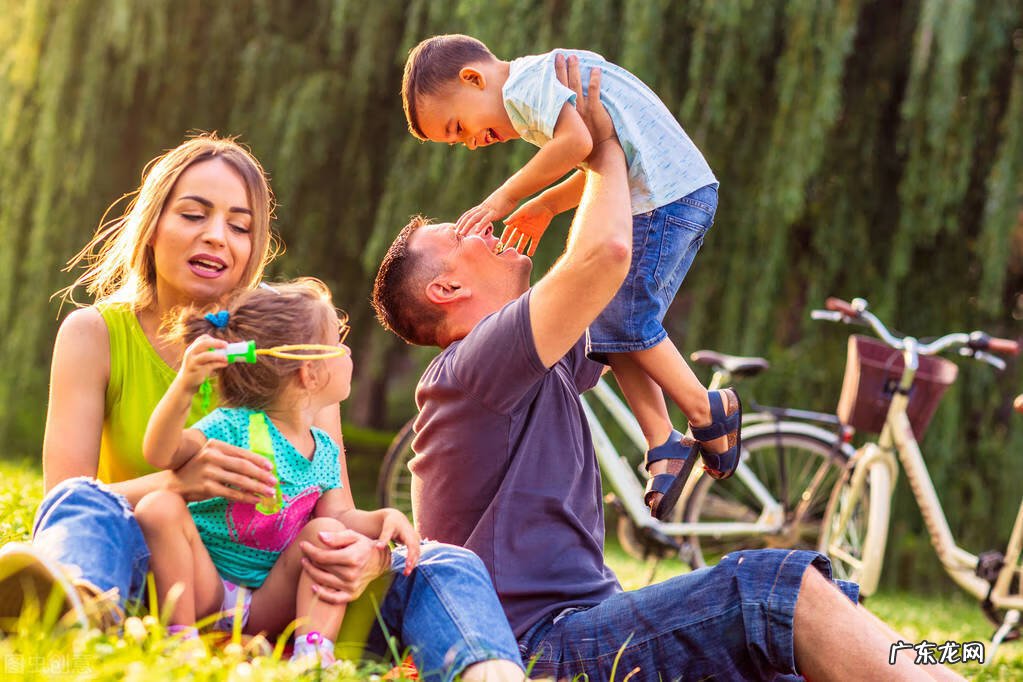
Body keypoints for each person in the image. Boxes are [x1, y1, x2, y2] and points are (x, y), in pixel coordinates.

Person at [374, 57, 962, 680]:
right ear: (445, 289)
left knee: (794, 642)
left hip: (592, 625)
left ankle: (948, 663)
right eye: (461, 232)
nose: (484, 228)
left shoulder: (532, 362)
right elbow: (606, 255)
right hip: (541, 651)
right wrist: (601, 145)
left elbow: (613, 307)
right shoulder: (469, 370)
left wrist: (583, 173)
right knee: (767, 590)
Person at [0, 134, 524, 681]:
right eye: (194, 214)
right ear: (152, 225)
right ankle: (72, 615)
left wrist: (366, 554)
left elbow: (332, 511)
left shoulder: (293, 345)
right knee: (83, 507)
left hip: (282, 598)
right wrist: (177, 484)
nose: (216, 236)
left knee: (444, 563)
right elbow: (68, 499)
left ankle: (488, 673)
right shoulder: (95, 333)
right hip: (149, 574)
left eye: (240, 225)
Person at [402, 34, 737, 520]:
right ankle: (663, 441)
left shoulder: (528, 85)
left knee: (628, 318)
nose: (472, 143)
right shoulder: (539, 93)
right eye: (459, 142)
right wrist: (545, 205)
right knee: (608, 324)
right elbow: (600, 156)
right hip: (664, 193)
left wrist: (505, 198)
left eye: (459, 127)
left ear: (473, 79)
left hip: (667, 198)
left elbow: (581, 144)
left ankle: (707, 410)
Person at [136, 278, 421, 667]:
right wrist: (185, 386)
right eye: (339, 344)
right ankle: (179, 639)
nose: (348, 351)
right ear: (309, 372)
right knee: (157, 507)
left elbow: (339, 517)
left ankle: (312, 653)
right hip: (208, 590)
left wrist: (382, 518)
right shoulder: (234, 426)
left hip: (271, 602)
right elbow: (160, 452)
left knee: (329, 534)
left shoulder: (322, 449)